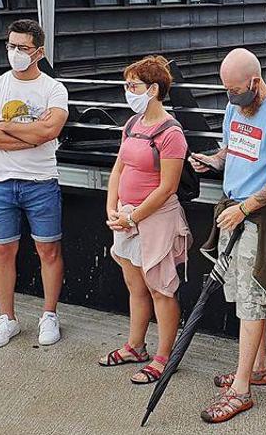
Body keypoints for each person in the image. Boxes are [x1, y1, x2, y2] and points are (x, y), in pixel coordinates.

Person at [190, 48, 266, 423]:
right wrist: (210, 161)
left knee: (253, 300)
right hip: (231, 208)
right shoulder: (235, 107)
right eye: (227, 91)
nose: (232, 98)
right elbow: (230, 151)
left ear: (255, 81)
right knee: (239, 294)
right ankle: (259, 367)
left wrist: (245, 208)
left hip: (257, 217)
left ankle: (241, 389)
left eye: (236, 90)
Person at [0, 19, 69, 348]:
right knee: (2, 250)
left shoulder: (53, 89)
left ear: (38, 52)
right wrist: (28, 137)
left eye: (22, 47)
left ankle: (49, 314)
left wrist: (4, 126)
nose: (15, 52)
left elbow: (49, 132)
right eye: (11, 46)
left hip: (41, 181)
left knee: (49, 250)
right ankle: (7, 318)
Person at [96, 55, 190, 383]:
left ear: (152, 89)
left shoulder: (171, 133)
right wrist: (113, 207)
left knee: (161, 288)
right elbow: (119, 167)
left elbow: (167, 187)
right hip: (126, 216)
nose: (127, 90)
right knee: (135, 284)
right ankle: (135, 345)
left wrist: (132, 217)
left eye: (132, 85)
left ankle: (165, 356)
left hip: (154, 221)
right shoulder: (132, 124)